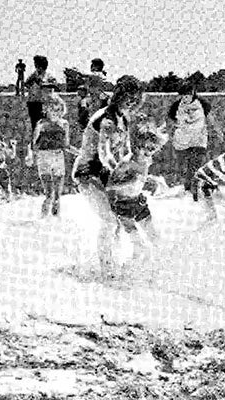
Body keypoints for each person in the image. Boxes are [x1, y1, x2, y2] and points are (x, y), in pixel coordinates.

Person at [72, 76, 144, 272]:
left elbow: (126, 150)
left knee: (118, 220)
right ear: (119, 95)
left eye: (135, 98)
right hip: (88, 173)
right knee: (109, 220)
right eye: (128, 96)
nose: (131, 101)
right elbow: (104, 153)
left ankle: (110, 260)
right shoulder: (107, 120)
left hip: (106, 175)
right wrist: (119, 171)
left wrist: (133, 168)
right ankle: (106, 268)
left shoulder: (124, 119)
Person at [106, 129, 169, 263]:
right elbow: (110, 186)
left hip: (138, 202)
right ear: (137, 146)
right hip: (122, 205)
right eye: (144, 148)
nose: (148, 152)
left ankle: (161, 263)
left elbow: (141, 179)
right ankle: (132, 266)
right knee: (137, 241)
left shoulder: (147, 160)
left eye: (152, 149)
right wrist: (130, 182)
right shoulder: (127, 163)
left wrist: (151, 181)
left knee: (154, 236)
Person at [32, 91, 71, 217]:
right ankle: (42, 219)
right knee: (49, 194)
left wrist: (80, 153)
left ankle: (55, 221)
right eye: (53, 109)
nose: (56, 112)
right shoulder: (41, 124)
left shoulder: (64, 124)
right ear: (46, 109)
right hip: (44, 157)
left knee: (58, 196)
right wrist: (31, 156)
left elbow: (66, 145)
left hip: (58, 157)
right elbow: (33, 144)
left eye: (59, 109)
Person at [167, 81, 211, 191]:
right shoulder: (177, 106)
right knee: (184, 167)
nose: (185, 97)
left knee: (195, 165)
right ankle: (188, 188)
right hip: (183, 140)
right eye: (183, 95)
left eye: (187, 94)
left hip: (199, 139)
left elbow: (208, 118)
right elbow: (172, 121)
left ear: (193, 93)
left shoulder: (203, 104)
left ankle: (192, 190)